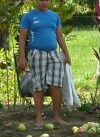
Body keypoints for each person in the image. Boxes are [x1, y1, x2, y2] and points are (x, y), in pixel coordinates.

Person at [18, 0, 71, 128]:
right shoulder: (28, 17)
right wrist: (22, 57)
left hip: (53, 53)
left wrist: (66, 54)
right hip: (37, 53)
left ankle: (57, 117)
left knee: (56, 84)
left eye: (46, 0)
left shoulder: (54, 16)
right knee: (38, 85)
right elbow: (22, 37)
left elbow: (59, 36)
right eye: (41, 0)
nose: (43, 2)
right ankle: (39, 118)